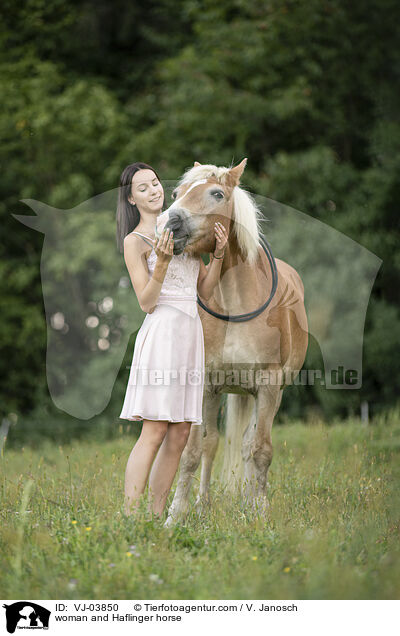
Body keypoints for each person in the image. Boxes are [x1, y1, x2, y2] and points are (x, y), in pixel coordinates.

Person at [116, 162, 227, 519]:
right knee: (155, 429)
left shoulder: (181, 224)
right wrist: (161, 262)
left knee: (180, 434)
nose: (153, 190)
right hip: (162, 333)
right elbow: (146, 303)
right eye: (143, 188)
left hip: (189, 334)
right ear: (132, 199)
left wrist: (220, 257)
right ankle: (132, 518)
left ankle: (156, 516)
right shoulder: (134, 242)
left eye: (155, 183)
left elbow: (206, 294)